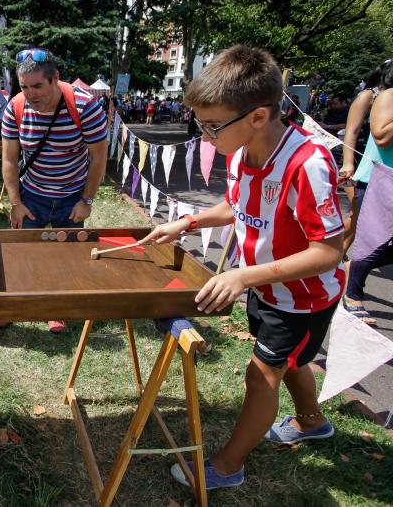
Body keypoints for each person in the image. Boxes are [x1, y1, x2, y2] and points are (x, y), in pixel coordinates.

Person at [140, 45, 344, 490]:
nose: (204, 136)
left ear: (257, 116)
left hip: (302, 297)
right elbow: (236, 205)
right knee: (290, 362)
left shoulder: (306, 163)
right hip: (266, 287)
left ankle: (228, 467)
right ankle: (312, 422)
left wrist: (240, 276)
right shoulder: (239, 154)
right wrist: (186, 222)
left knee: (262, 373)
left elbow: (328, 252)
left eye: (212, 125)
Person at [1, 47, 108, 334]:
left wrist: (86, 200)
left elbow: (99, 157)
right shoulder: (15, 107)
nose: (31, 94)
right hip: (31, 194)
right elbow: (9, 159)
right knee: (25, 252)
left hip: (72, 194)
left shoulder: (84, 106)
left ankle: (57, 309)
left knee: (67, 255)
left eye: (37, 86)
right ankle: (21, 302)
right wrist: (15, 202)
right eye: (24, 87)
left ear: (55, 78)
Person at [344, 60, 393, 327]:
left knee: (359, 230)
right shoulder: (373, 96)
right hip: (375, 174)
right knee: (363, 231)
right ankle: (349, 287)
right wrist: (347, 162)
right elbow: (353, 131)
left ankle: (345, 264)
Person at [339, 60, 392, 256]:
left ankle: (338, 256)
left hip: (382, 166)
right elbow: (351, 131)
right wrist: (348, 162)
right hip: (361, 168)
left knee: (357, 221)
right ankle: (317, 244)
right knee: (357, 219)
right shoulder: (369, 96)